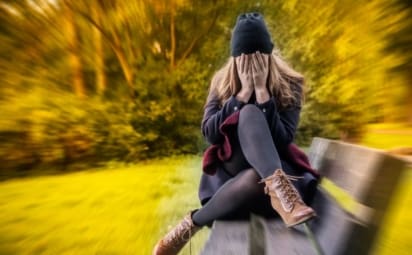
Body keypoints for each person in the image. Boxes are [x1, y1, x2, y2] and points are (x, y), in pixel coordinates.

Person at [153, 12, 319, 255]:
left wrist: (263, 93)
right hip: (230, 181)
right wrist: (240, 97)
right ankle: (276, 191)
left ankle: (190, 225)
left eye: (258, 56)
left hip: (272, 187)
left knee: (255, 176)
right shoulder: (221, 82)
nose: (251, 63)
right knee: (248, 113)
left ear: (269, 55)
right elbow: (210, 134)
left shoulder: (289, 82)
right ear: (235, 58)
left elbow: (284, 140)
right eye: (244, 57)